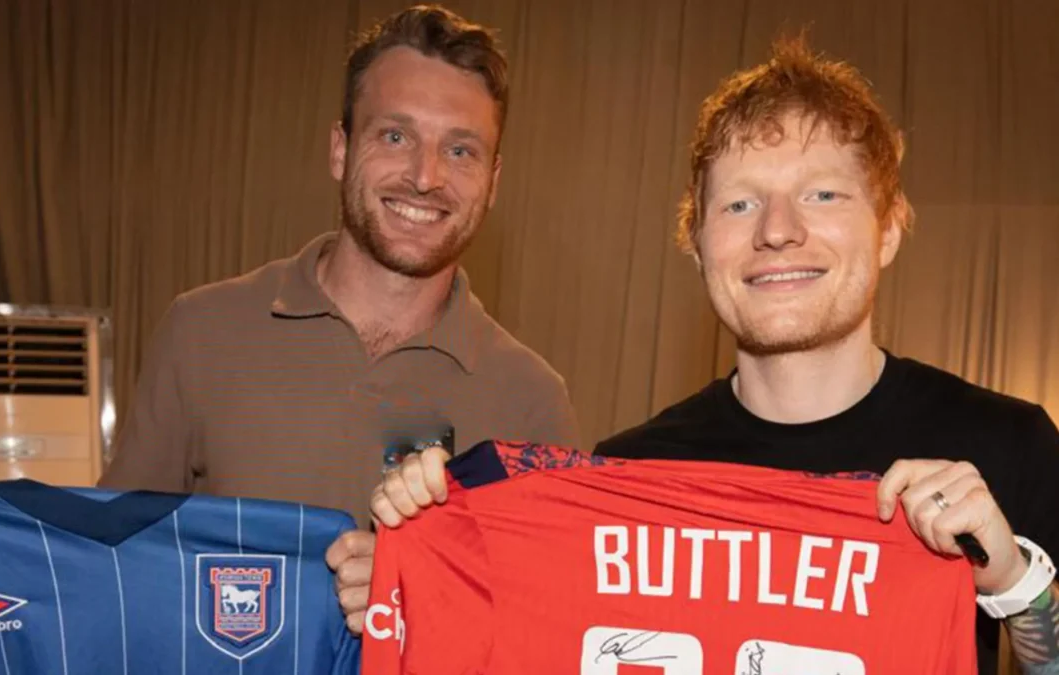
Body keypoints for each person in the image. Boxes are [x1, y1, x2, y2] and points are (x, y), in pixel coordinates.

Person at [368, 36, 1059, 674]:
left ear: (888, 230)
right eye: (738, 204)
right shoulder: (627, 480)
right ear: (694, 242)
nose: (778, 231)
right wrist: (426, 543)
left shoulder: (1007, 446)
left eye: (822, 194)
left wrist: (1012, 580)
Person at [99, 4, 580, 634]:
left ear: (492, 182)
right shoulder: (203, 331)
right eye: (395, 136)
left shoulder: (533, 401)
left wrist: (431, 592)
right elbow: (110, 562)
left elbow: (550, 627)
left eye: (460, 150)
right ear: (339, 148)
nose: (425, 177)